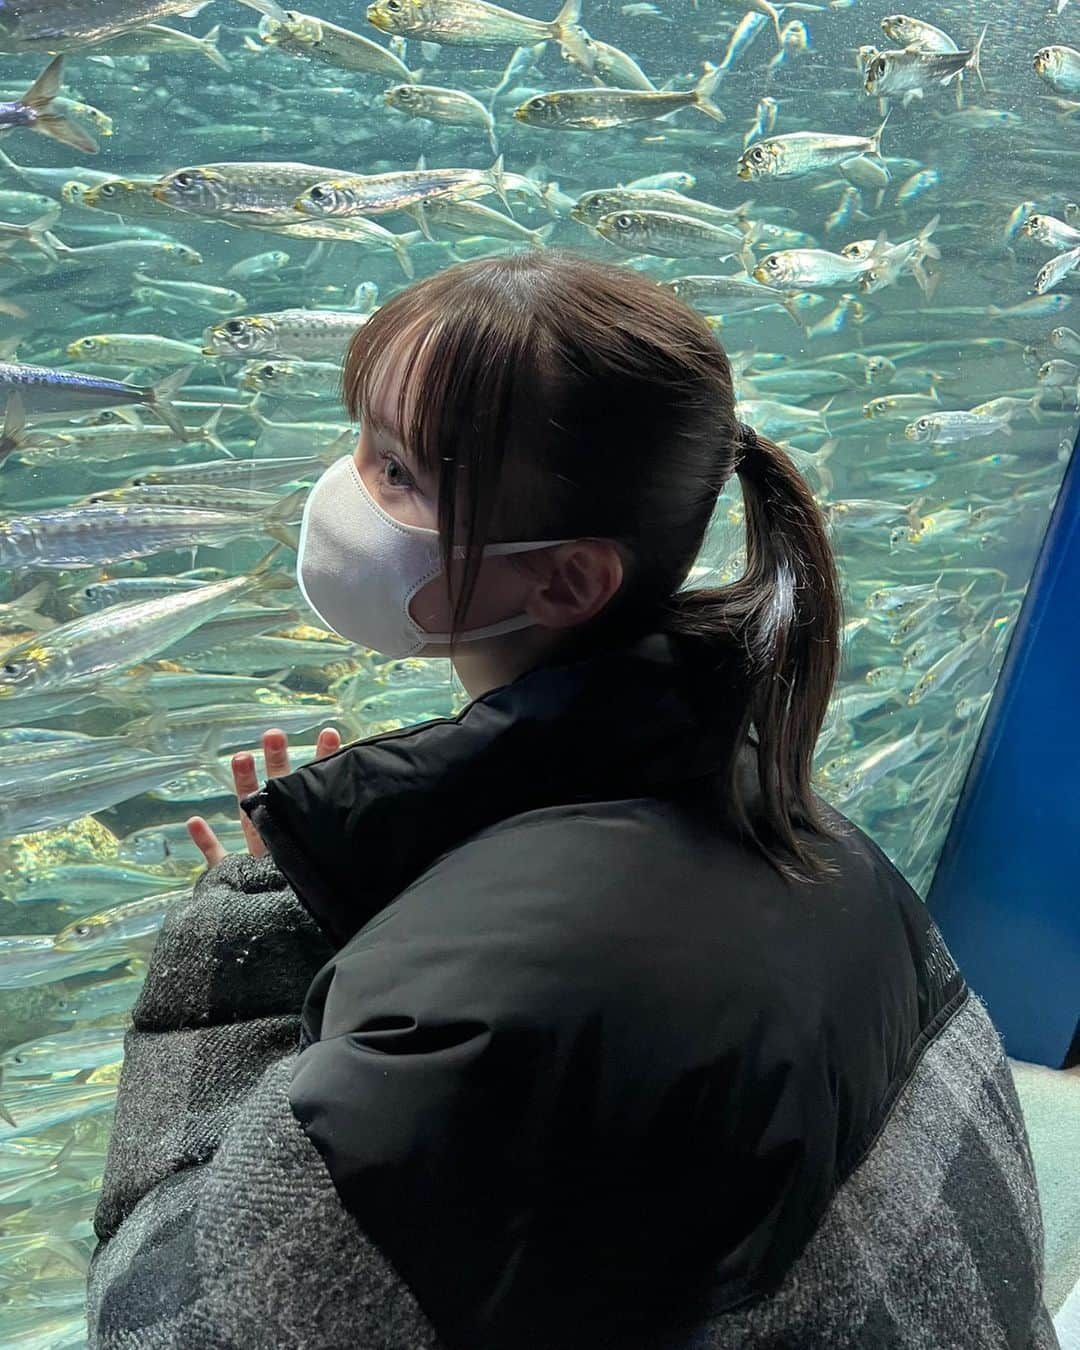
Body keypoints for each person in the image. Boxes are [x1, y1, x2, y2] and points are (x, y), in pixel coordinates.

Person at [85, 252, 1058, 1350]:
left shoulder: (495, 1021)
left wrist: (257, 952)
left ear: (568, 578)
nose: (344, 488)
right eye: (356, 437)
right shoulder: (813, 833)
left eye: (397, 470)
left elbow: (181, 1323)